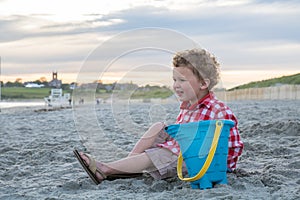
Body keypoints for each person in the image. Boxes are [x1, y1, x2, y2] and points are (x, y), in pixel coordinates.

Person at [74, 48, 244, 185]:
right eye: (174, 80)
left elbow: (232, 145)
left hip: (207, 164)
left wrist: (179, 148)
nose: (176, 86)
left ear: (203, 83)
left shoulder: (217, 109)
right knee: (159, 128)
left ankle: (106, 169)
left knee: (168, 152)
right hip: (188, 152)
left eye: (182, 80)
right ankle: (127, 166)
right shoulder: (187, 107)